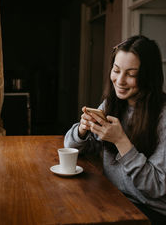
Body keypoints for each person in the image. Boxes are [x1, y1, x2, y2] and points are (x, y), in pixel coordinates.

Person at [64, 35, 166, 225]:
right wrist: (82, 130)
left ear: (148, 76)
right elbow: (70, 147)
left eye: (131, 74)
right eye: (116, 70)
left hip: (150, 212)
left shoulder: (163, 117)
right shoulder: (111, 105)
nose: (120, 80)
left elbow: (158, 188)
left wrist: (121, 142)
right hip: (113, 197)